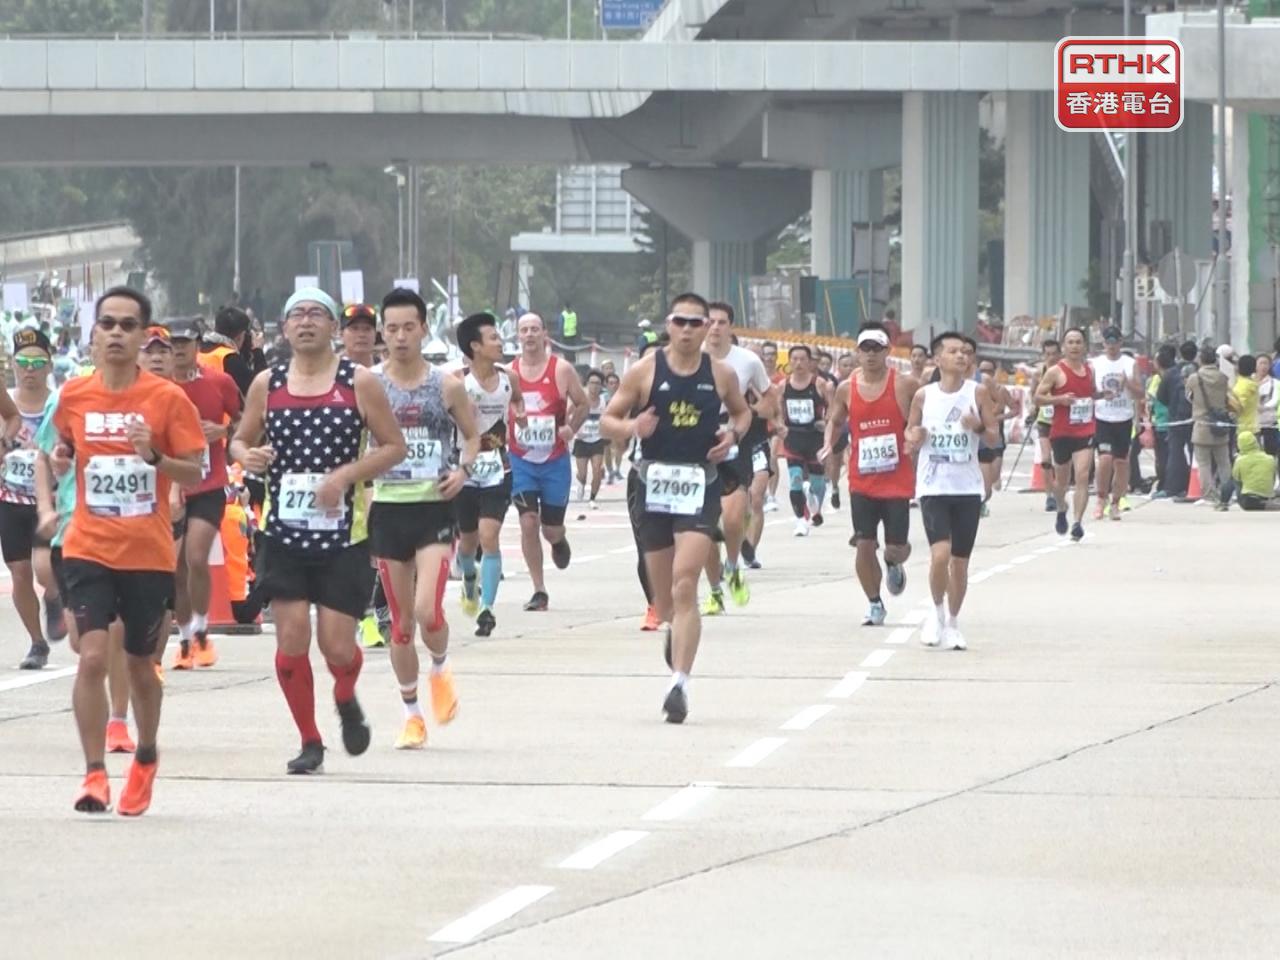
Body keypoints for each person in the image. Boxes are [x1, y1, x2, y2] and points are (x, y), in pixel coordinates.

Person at [229, 287, 407, 775]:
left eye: (317, 314)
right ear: (284, 329)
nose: (306, 322)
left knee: (337, 646)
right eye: (296, 315)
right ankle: (310, 740)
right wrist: (249, 456)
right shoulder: (269, 383)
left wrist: (345, 476)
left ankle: (346, 696)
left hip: (342, 534)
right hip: (283, 532)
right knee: (289, 639)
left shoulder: (359, 381)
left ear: (334, 328)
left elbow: (394, 447)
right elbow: (240, 440)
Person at [52, 287, 206, 815]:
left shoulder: (166, 399)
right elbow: (65, 446)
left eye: (127, 325)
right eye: (107, 324)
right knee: (92, 656)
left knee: (142, 667)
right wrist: (58, 462)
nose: (116, 332)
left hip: (147, 554)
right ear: (94, 334)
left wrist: (153, 455)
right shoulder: (74, 395)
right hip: (88, 547)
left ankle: (145, 755)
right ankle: (94, 774)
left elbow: (195, 468)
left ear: (143, 336)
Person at [601, 293, 750, 723]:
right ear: (669, 324)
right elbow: (607, 420)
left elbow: (741, 415)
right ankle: (674, 631)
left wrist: (733, 437)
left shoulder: (720, 374)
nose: (687, 330)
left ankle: (679, 683)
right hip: (652, 484)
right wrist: (633, 426)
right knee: (665, 602)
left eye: (695, 323)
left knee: (687, 585)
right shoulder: (644, 371)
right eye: (680, 322)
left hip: (699, 483)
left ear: (707, 328)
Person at [368, 288, 479, 750]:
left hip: (434, 507)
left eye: (408, 327)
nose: (399, 337)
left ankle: (440, 664)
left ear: (423, 328)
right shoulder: (368, 384)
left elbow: (474, 436)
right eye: (391, 328)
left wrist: (464, 470)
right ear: (382, 333)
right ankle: (412, 714)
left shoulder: (446, 384)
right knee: (399, 624)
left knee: (427, 611)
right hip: (387, 509)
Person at [905, 331, 999, 651]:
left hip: (967, 487)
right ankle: (936, 611)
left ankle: (954, 623)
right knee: (939, 554)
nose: (961, 356)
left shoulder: (979, 393)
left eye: (965, 352)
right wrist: (914, 437)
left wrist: (978, 427)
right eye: (953, 351)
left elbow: (993, 439)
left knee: (959, 562)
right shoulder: (923, 395)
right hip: (933, 485)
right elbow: (910, 434)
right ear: (937, 359)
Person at [824, 323, 918, 627]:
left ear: (888, 352)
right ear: (857, 353)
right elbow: (835, 420)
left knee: (896, 547)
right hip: (862, 480)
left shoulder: (904, 385)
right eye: (865, 348)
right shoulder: (846, 389)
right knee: (864, 543)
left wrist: (917, 436)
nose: (871, 354)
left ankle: (894, 562)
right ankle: (874, 603)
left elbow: (921, 416)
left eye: (877, 348)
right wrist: (828, 444)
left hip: (897, 480)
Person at [166, 317, 241, 671]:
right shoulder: (159, 387)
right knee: (175, 568)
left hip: (209, 484)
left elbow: (245, 422)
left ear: (198, 345)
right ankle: (184, 639)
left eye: (185, 343)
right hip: (169, 486)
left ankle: (201, 629)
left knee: (196, 556)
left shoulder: (219, 382)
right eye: (173, 344)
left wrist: (222, 429)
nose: (179, 349)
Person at [507, 312, 589, 612]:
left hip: (554, 460)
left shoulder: (561, 369)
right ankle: (539, 589)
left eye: (534, 330)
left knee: (549, 529)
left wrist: (572, 428)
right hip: (520, 460)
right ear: (518, 336)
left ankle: (558, 540)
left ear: (545, 335)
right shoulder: (509, 373)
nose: (529, 335)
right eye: (523, 330)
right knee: (528, 521)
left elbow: (583, 403)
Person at [700, 301, 775, 615]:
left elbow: (770, 397)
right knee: (703, 528)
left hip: (734, 443)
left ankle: (732, 567)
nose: (715, 327)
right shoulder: (690, 357)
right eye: (710, 321)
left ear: (730, 327)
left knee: (732, 518)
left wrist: (749, 414)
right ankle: (715, 591)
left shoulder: (747, 361)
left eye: (721, 322)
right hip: (698, 445)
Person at [455, 312, 525, 638]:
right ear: (475, 346)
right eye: (493, 338)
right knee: (468, 542)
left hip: (499, 467)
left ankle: (487, 609)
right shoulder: (456, 382)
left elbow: (519, 401)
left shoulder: (510, 378)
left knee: (489, 536)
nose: (500, 343)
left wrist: (521, 416)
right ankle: (469, 580)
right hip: (464, 470)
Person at [3, 327, 64, 670]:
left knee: (45, 570)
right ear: (13, 365)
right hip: (10, 499)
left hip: (52, 499)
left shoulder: (61, 403)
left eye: (37, 362)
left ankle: (54, 597)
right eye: (23, 362)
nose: (29, 369)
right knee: (20, 572)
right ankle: (37, 642)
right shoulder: (4, 402)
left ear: (49, 365)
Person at [1034, 327, 1097, 541]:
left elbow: (1090, 393)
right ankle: (1062, 508)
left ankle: (1078, 522)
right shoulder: (1055, 372)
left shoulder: (1090, 370)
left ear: (1085, 346)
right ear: (1064, 347)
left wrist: (1102, 395)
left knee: (1082, 475)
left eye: (1078, 342)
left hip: (1085, 429)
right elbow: (1038, 397)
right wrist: (1059, 400)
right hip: (1061, 432)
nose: (1075, 346)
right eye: (1070, 342)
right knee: (1061, 482)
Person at [1090, 326, 1145, 521]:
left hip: (1123, 418)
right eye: (1108, 343)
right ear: (1103, 344)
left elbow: (1140, 394)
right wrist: (1100, 396)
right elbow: (1088, 392)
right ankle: (1100, 498)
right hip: (1103, 418)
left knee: (1121, 462)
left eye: (1115, 342)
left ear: (1121, 343)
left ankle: (1116, 502)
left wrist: (1127, 383)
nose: (1111, 347)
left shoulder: (1130, 364)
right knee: (1104, 459)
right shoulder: (1096, 364)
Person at [778, 345, 832, 536]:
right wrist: (780, 426)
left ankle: (814, 506)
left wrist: (825, 422)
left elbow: (833, 410)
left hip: (814, 439)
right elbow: (778, 411)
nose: (798, 363)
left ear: (810, 362)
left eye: (802, 359)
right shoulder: (783, 386)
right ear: (789, 362)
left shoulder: (819, 384)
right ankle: (801, 520)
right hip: (793, 438)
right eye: (794, 359)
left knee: (816, 484)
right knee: (795, 479)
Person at [1186, 345, 1236, 504]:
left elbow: (1189, 397)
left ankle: (1209, 494)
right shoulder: (1223, 377)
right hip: (1221, 424)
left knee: (1204, 463)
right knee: (1224, 462)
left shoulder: (1194, 378)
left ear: (1200, 359)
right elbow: (1227, 397)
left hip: (1202, 425)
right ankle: (1227, 493)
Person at [199, 304, 266, 396]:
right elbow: (260, 389)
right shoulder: (230, 358)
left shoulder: (198, 350)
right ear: (239, 337)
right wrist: (258, 351)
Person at [1154, 344, 1193, 499]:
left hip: (1176, 419)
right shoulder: (1197, 370)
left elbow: (1161, 397)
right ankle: (1195, 485)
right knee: (1196, 454)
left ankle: (1173, 487)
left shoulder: (1170, 374)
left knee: (1175, 453)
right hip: (1196, 418)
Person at [976, 357, 1012, 516]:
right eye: (982, 371)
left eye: (989, 371)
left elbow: (1014, 410)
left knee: (993, 479)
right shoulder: (972, 389)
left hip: (996, 439)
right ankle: (977, 504)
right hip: (977, 440)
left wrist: (996, 417)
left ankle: (983, 499)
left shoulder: (1001, 390)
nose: (986, 374)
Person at [572, 369, 608, 510]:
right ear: (587, 384)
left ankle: (592, 498)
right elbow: (568, 414)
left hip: (597, 440)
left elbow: (608, 418)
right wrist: (573, 428)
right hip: (582, 440)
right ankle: (580, 484)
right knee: (583, 474)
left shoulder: (604, 401)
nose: (594, 386)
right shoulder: (580, 399)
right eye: (592, 383)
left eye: (598, 383)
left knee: (597, 470)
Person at [1218, 430, 1276, 511]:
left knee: (1233, 479)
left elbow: (1236, 479)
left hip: (1247, 501)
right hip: (1267, 496)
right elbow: (1272, 479)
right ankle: (1266, 503)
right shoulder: (1270, 458)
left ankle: (1223, 503)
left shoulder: (1240, 460)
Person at [1256, 353, 1279, 458]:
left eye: (1266, 363)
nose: (1263, 366)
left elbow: (1275, 399)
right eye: (1261, 363)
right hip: (1253, 423)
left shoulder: (1275, 382)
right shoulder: (1250, 381)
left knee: (1270, 452)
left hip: (1269, 422)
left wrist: (1263, 407)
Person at [1232, 354, 1260, 438]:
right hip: (1254, 426)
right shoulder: (1252, 383)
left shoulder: (1242, 386)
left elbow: (1239, 408)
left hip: (1243, 429)